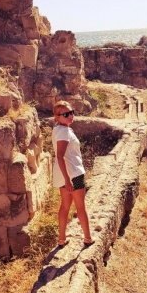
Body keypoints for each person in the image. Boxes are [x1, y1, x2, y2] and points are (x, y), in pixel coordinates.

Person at [51, 100, 94, 248]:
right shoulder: (63, 132)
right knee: (80, 206)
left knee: (65, 206)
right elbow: (60, 156)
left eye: (71, 112)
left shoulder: (58, 129)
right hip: (73, 175)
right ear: (57, 117)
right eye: (66, 114)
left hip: (65, 176)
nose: (70, 116)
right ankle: (88, 238)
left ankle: (61, 239)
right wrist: (68, 180)